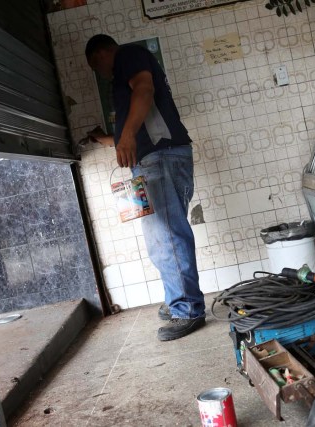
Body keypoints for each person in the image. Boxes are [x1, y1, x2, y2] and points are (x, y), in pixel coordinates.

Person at [85, 34, 206, 341]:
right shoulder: (125, 77)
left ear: (100, 55)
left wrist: (125, 138)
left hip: (161, 157)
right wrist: (109, 138)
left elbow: (144, 89)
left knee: (167, 236)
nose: (103, 75)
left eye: (97, 68)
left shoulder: (128, 55)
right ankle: (178, 297)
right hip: (155, 159)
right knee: (160, 238)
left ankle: (188, 308)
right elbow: (136, 129)